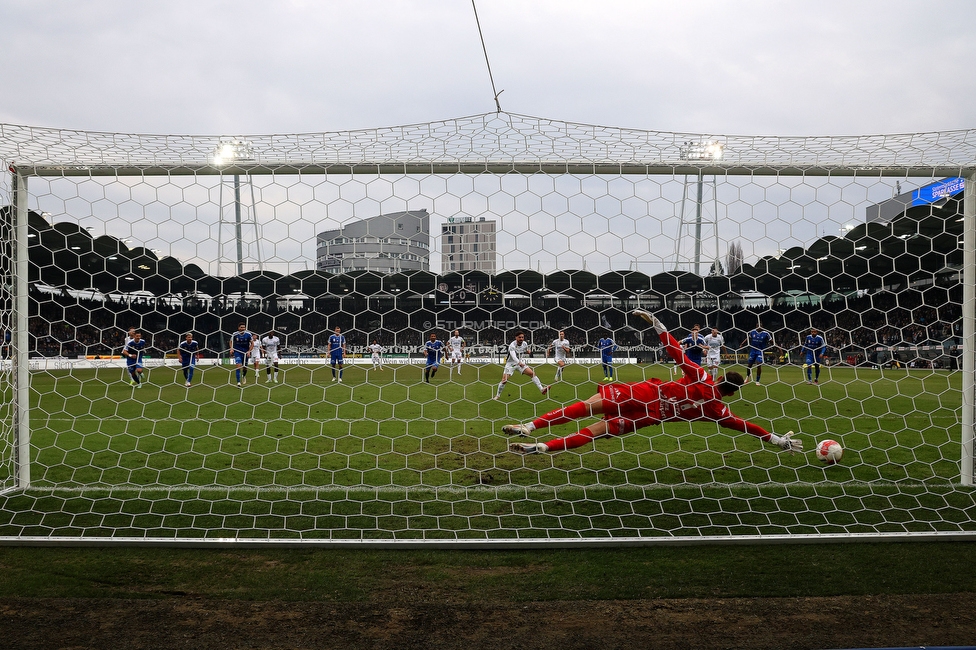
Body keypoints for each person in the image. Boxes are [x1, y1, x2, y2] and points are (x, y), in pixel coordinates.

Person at [504, 311, 802, 456]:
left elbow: (676, 351)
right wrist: (776, 439)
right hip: (649, 417)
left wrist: (657, 324)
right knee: (593, 432)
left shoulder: (701, 376)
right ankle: (543, 447)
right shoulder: (718, 410)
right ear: (732, 393)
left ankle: (531, 427)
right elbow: (746, 426)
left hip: (648, 394)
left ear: (720, 378)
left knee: (585, 408)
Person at [493, 331, 549, 400]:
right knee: (504, 380)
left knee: (532, 373)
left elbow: (526, 349)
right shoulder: (512, 345)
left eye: (522, 337)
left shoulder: (525, 343)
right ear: (516, 338)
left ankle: (542, 389)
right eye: (519, 337)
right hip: (511, 364)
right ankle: (498, 395)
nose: (521, 339)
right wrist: (519, 363)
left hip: (520, 363)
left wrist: (528, 351)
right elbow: (513, 357)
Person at [229, 322, 254, 387]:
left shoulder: (248, 334)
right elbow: (231, 341)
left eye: (244, 327)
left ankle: (244, 376)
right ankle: (238, 382)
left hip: (245, 353)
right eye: (241, 327)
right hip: (237, 352)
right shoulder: (235, 334)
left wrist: (249, 351)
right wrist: (231, 348)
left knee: (245, 368)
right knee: (238, 366)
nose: (243, 328)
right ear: (238, 328)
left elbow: (252, 344)